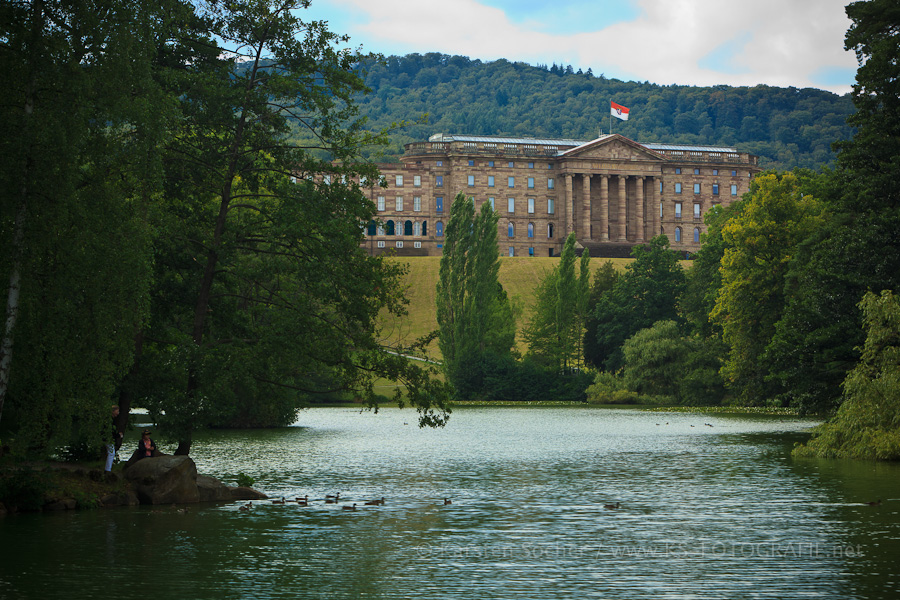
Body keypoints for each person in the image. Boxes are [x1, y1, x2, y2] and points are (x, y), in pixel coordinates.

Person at [105, 405, 123, 472]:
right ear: (113, 411)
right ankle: (107, 470)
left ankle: (108, 469)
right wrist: (118, 435)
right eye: (117, 411)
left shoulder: (111, 419)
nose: (118, 413)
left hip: (108, 438)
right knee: (111, 452)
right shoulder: (109, 420)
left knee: (110, 452)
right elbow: (111, 431)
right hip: (108, 438)